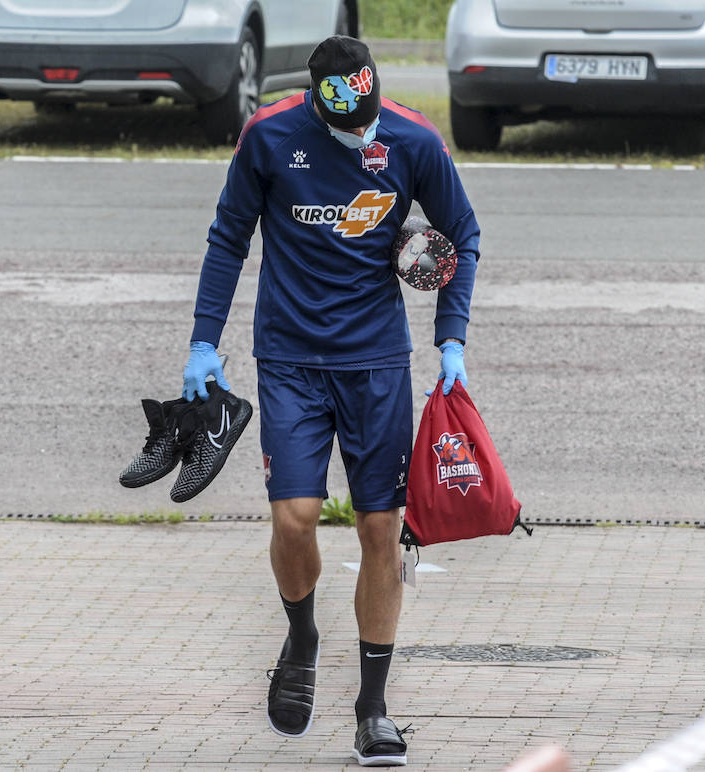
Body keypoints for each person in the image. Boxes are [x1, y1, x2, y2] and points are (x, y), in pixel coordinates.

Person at [181, 35, 480, 767]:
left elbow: (462, 233)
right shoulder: (270, 135)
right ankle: (303, 635)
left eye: (371, 120)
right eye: (351, 126)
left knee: (381, 529)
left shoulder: (411, 139)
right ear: (319, 103)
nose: (365, 134)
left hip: (377, 364)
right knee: (295, 517)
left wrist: (451, 339)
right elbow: (228, 238)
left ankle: (373, 709)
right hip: (288, 360)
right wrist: (202, 341)